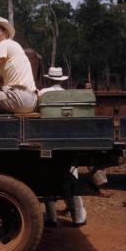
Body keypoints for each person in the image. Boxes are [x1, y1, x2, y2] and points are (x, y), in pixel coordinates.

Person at [40, 67, 87, 227]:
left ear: (48, 78)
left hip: (48, 141)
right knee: (71, 179)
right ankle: (78, 217)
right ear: (61, 80)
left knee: (46, 179)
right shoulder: (70, 95)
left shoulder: (43, 93)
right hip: (67, 141)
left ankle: (51, 217)